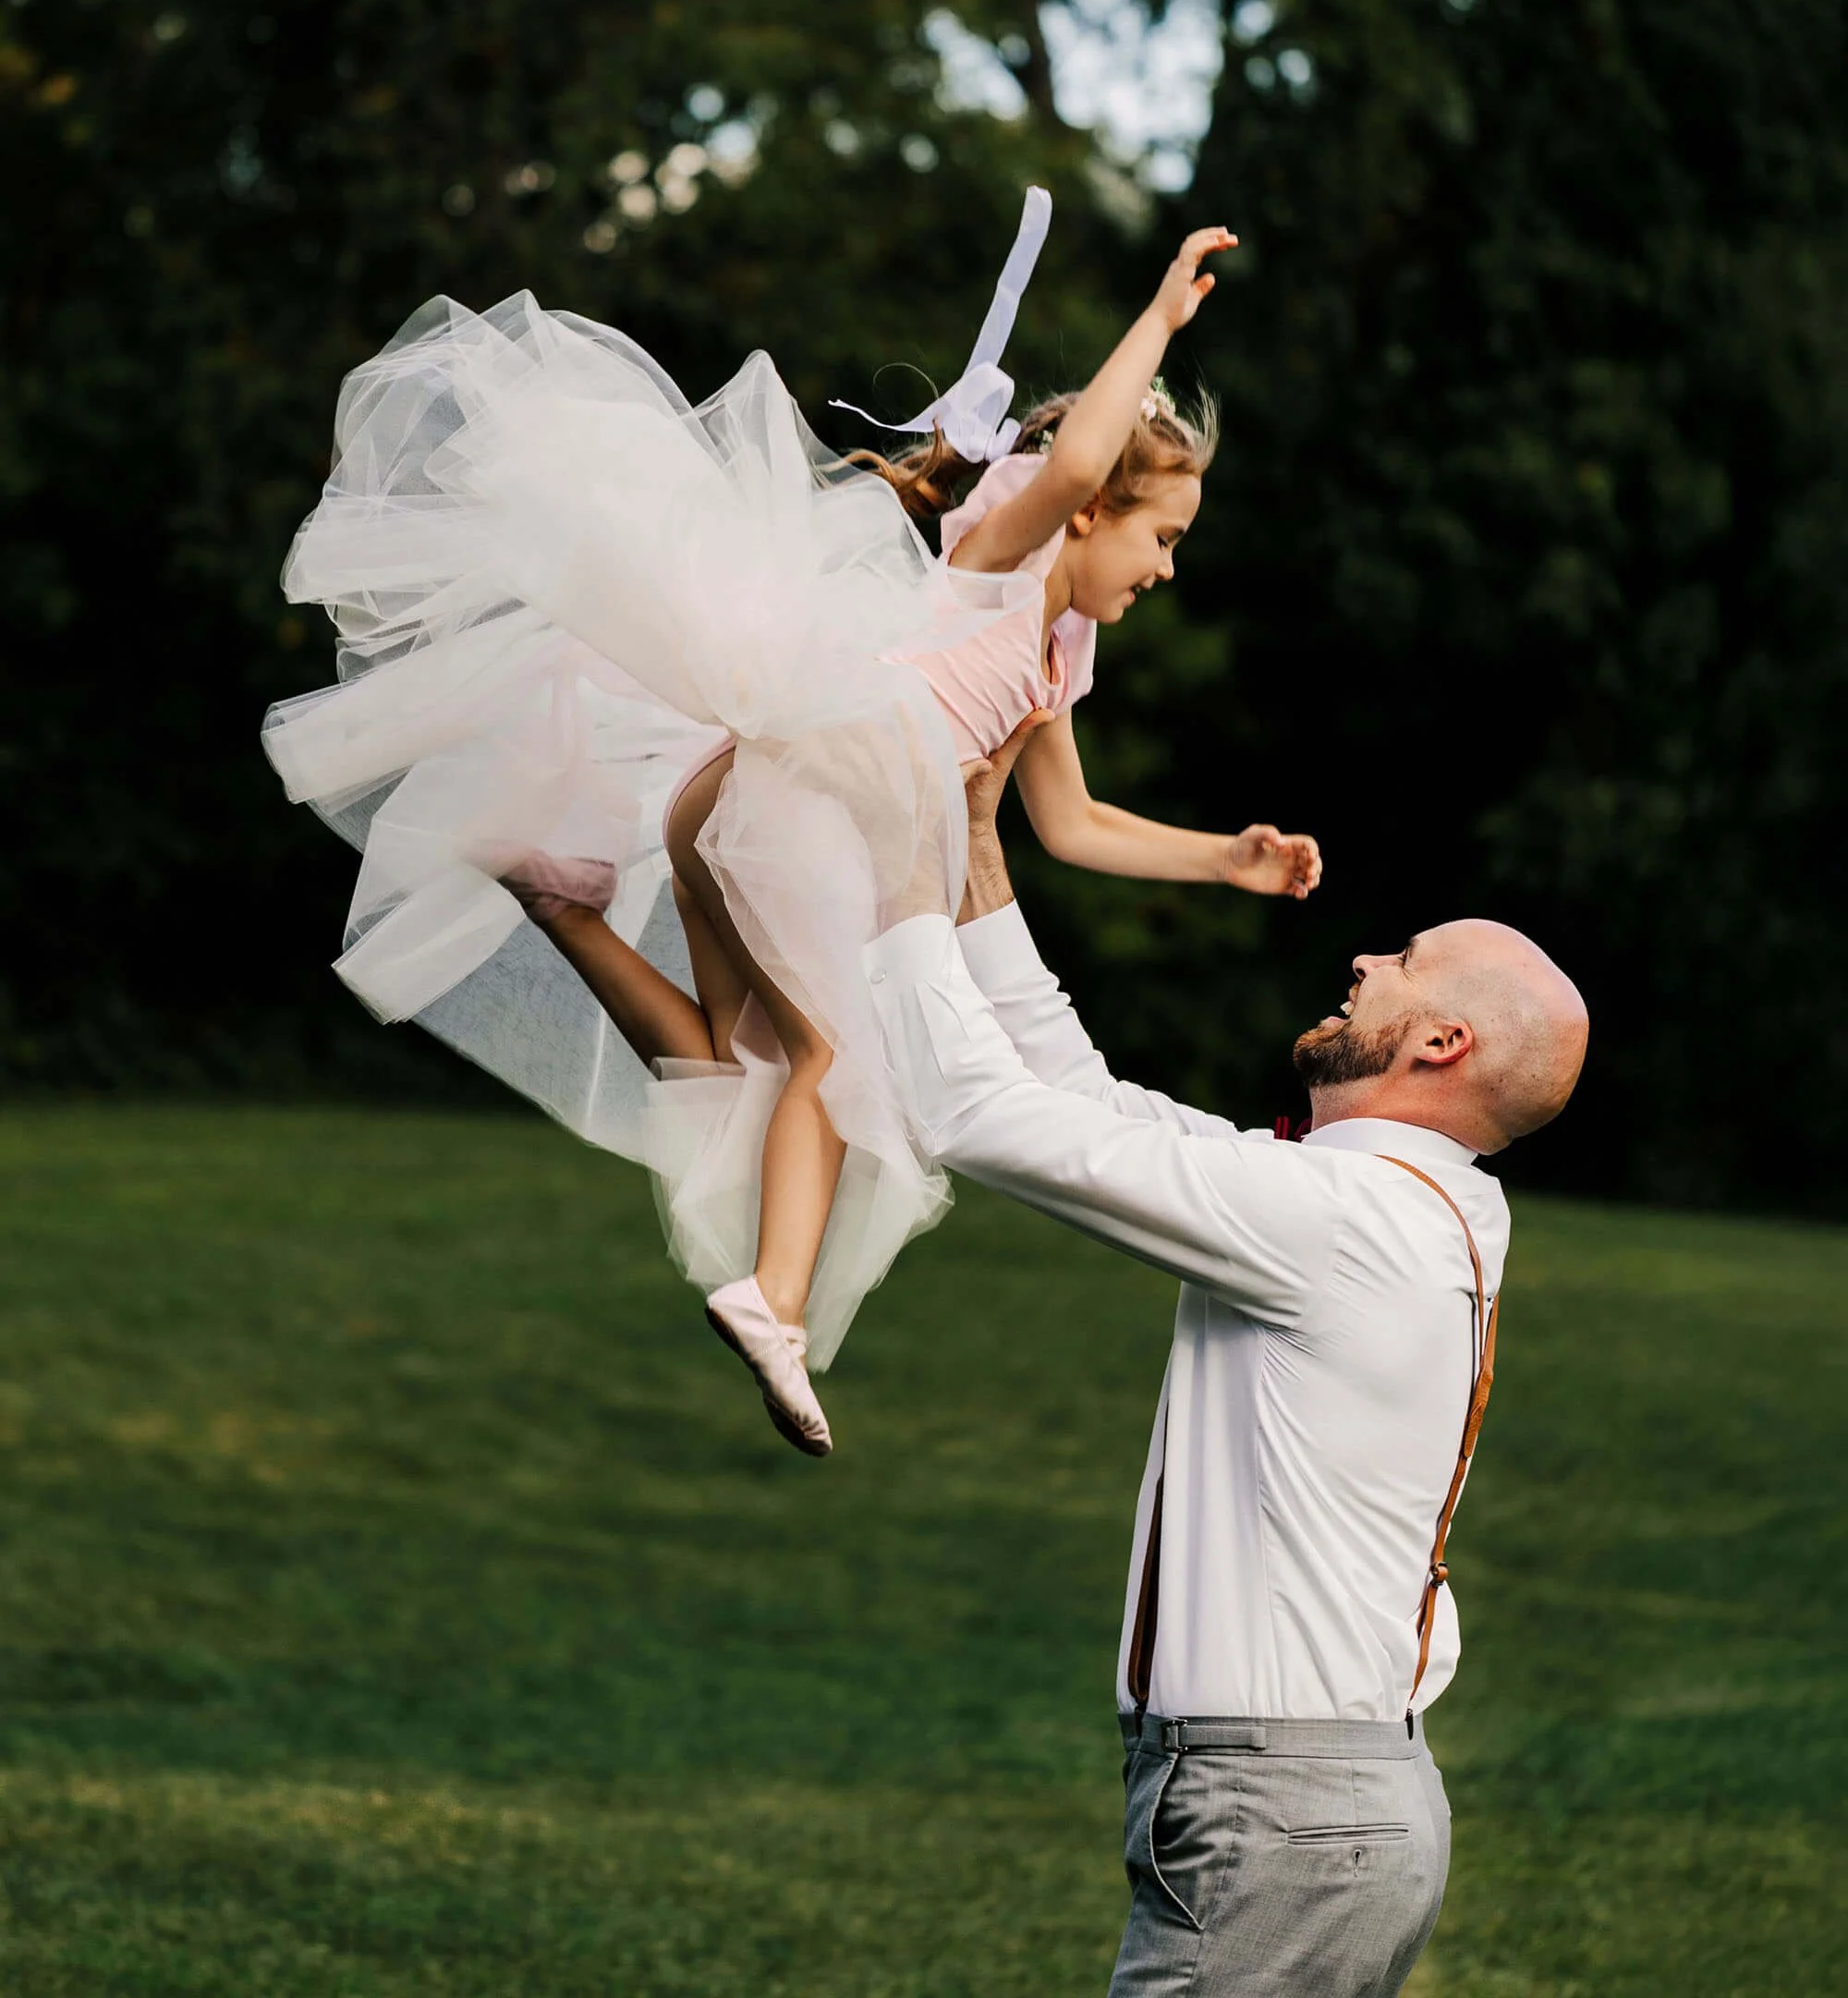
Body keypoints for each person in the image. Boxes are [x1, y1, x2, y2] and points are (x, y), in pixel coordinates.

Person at [263, 200, 1319, 1459]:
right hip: (810, 795)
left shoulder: (1056, 655)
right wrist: (1158, 316)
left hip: (730, 802)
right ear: (1088, 513)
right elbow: (1082, 461)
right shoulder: (999, 567)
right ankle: (774, 1301)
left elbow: (1071, 823)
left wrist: (1225, 859)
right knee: (839, 1062)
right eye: (1165, 536)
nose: (1169, 568)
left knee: (738, 1067)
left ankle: (564, 911)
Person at [857, 713, 1587, 1998]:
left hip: (1284, 1818)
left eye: (1405, 961)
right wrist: (969, 840)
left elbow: (976, 1111)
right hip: (1310, 1814)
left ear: (1441, 1044)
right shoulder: (1399, 1203)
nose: (1365, 958)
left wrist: (898, 876)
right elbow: (1082, 1100)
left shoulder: (1346, 1221)